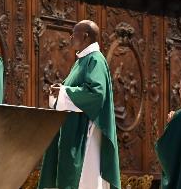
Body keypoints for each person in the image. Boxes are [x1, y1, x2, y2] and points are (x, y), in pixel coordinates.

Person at [38, 20, 121, 189]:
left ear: (84, 36)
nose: (70, 38)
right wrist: (61, 90)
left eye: (74, 34)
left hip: (86, 133)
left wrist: (64, 92)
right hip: (74, 128)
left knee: (85, 180)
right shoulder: (82, 61)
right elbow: (77, 89)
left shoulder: (95, 60)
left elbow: (96, 94)